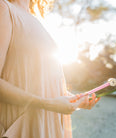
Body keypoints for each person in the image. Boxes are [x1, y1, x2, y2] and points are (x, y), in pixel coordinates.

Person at [0, 0, 100, 137]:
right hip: (22, 127)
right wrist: (49, 104)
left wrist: (73, 100)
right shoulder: (4, 8)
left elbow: (41, 83)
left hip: (47, 124)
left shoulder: (35, 19)